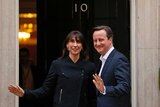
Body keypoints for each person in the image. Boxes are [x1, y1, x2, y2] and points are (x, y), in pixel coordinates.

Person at [8, 30, 97, 107]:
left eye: (78, 42)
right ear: (67, 45)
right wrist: (24, 93)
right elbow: (45, 90)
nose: (75, 45)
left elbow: (92, 96)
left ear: (82, 46)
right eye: (72, 41)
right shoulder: (57, 64)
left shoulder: (89, 67)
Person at [92, 25, 131, 107]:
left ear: (110, 39)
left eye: (101, 40)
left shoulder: (119, 59)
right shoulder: (102, 59)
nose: (97, 43)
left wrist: (104, 89)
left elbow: (124, 87)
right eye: (95, 40)